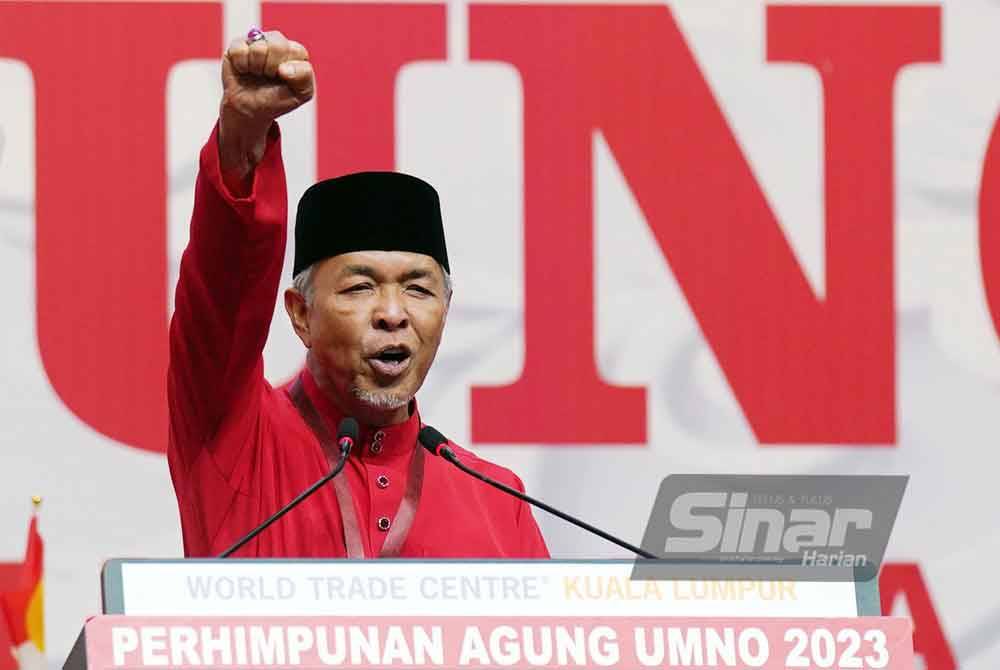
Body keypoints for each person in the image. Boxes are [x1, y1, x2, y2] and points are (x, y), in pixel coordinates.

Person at [167, 28, 549, 559]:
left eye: (418, 288)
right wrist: (243, 136)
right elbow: (222, 292)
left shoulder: (496, 500)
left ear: (446, 310)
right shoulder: (236, 441)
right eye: (361, 287)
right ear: (301, 314)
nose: (393, 314)